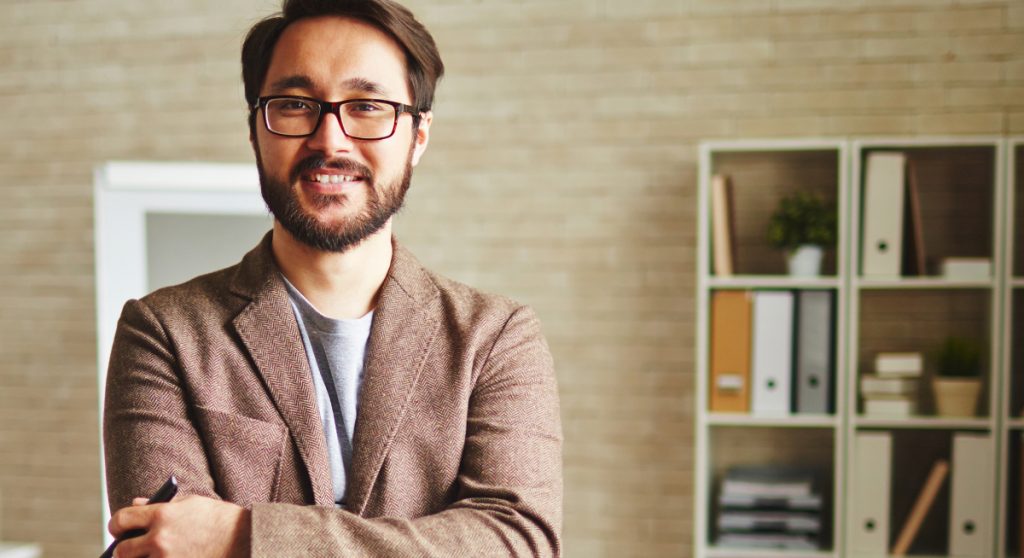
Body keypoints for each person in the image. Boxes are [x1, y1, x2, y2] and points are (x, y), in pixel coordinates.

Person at [102, 0, 562, 555]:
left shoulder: (496, 338)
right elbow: (164, 547)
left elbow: (518, 540)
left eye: (367, 106)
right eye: (296, 105)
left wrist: (243, 534)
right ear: (255, 131)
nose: (331, 141)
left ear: (418, 135)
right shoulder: (162, 332)